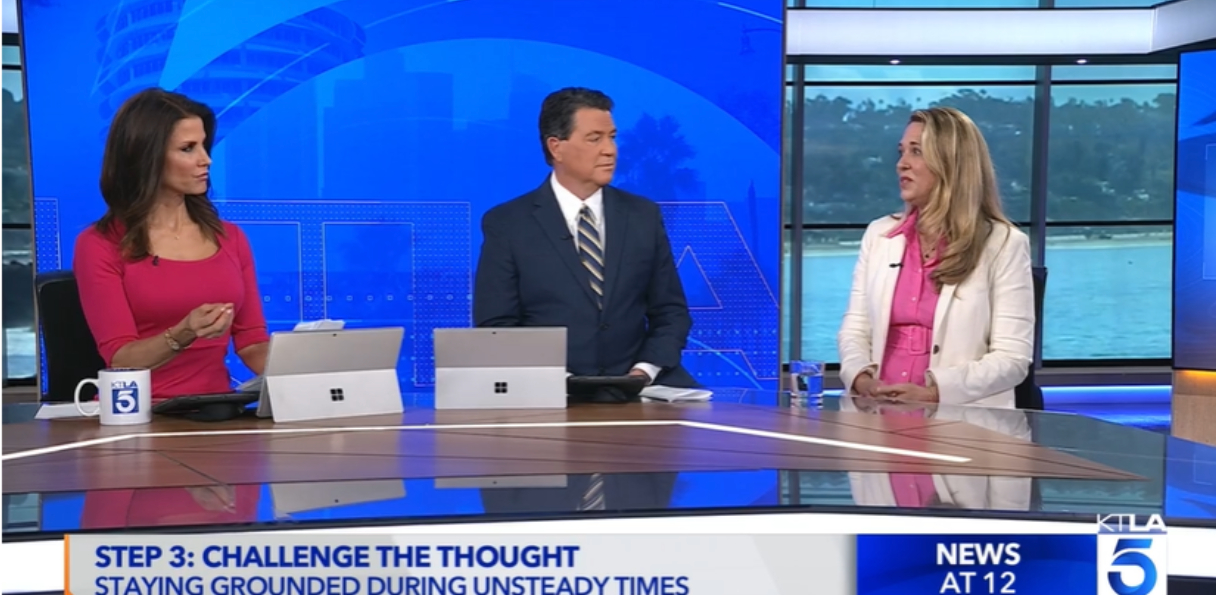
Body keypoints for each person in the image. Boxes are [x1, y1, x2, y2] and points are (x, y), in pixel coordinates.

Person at [473, 87, 695, 389]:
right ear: (556, 148)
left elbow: (670, 312)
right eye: (595, 138)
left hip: (640, 388)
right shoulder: (508, 223)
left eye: (612, 137)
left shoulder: (643, 215)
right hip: (547, 391)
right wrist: (557, 381)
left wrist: (643, 371)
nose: (610, 150)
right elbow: (496, 326)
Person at [74, 88, 269, 400]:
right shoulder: (99, 244)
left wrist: (308, 372)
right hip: (137, 416)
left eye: (204, 145)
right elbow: (121, 359)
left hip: (217, 413)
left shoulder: (231, 238)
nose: (206, 160)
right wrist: (184, 332)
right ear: (146, 157)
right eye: (188, 148)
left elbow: (252, 343)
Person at [837, 106, 1035, 410]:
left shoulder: (1003, 244)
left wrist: (934, 393)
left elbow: (1013, 358)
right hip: (875, 413)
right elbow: (855, 329)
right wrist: (861, 378)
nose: (901, 164)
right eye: (901, 151)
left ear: (951, 163)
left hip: (962, 423)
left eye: (916, 152)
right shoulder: (879, 236)